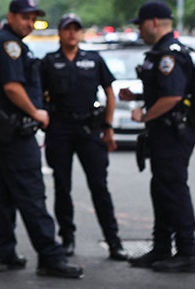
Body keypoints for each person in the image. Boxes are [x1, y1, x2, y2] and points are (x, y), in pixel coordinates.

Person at [0, 0, 83, 278]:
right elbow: (13, 87)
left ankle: (4, 253)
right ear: (11, 16)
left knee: (4, 195)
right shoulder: (9, 45)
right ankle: (51, 257)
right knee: (32, 193)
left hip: (8, 130)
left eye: (33, 17)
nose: (30, 23)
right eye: (25, 17)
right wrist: (37, 112)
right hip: (17, 130)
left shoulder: (7, 43)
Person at [40, 13, 128, 261]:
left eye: (76, 29)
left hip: (90, 129)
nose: (72, 33)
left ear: (80, 33)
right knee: (62, 187)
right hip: (60, 129)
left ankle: (114, 242)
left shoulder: (93, 59)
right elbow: (38, 94)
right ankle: (67, 239)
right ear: (60, 32)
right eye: (68, 29)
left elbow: (110, 92)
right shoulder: (49, 62)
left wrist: (108, 126)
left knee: (99, 186)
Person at [120, 0, 195, 272]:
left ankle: (188, 250)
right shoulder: (162, 52)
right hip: (165, 132)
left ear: (153, 22)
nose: (139, 30)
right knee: (161, 189)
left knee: (173, 189)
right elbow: (168, 90)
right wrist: (138, 96)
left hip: (173, 131)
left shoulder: (169, 55)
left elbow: (173, 97)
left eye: (140, 24)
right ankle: (162, 247)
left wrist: (145, 114)